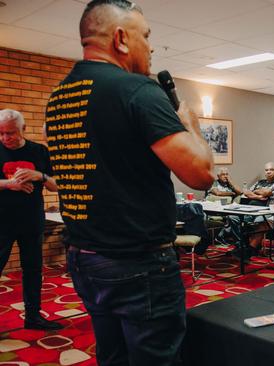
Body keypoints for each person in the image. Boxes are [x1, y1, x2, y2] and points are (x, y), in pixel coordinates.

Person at [46, 1, 215, 364]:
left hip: (84, 258)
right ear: (121, 38)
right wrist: (190, 124)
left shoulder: (59, 97)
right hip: (137, 262)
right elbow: (201, 174)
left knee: (113, 355)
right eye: (147, 36)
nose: (151, 47)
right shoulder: (137, 90)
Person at [0, 109, 62, 330]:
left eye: (10, 133)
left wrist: (40, 176)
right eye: (1, 133)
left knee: (33, 270)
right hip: (2, 222)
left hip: (31, 220)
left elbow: (57, 185)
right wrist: (8, 184)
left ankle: (33, 317)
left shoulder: (38, 152)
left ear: (23, 129)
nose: (5, 138)